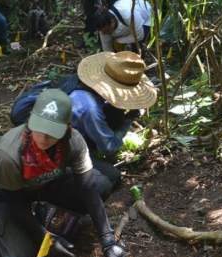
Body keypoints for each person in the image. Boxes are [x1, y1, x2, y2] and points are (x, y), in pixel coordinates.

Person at [0, 88, 127, 257]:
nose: (43, 138)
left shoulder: (73, 141)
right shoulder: (9, 154)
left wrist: (107, 238)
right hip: (8, 194)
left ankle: (44, 212)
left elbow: (88, 188)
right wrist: (46, 239)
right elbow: (14, 201)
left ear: (67, 127)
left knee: (103, 183)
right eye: (39, 128)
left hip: (45, 182)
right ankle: (4, 223)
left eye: (52, 132)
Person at [11, 51, 157, 169]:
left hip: (43, 121)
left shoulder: (79, 81)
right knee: (110, 178)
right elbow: (109, 148)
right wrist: (127, 121)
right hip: (45, 142)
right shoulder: (89, 108)